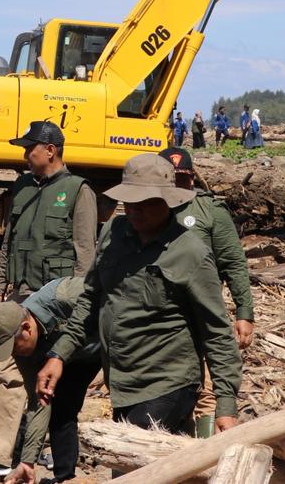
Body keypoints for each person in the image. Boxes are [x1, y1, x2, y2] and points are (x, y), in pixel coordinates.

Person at [38, 153, 242, 435]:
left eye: (145, 203)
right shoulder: (113, 234)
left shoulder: (190, 253)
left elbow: (216, 332)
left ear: (168, 201)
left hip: (167, 382)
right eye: (129, 202)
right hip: (122, 383)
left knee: (133, 465)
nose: (134, 210)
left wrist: (226, 405)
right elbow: (91, 300)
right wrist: (58, 355)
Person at [0, 122, 98, 478]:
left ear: (51, 149)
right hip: (22, 299)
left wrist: (82, 305)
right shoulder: (22, 187)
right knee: (11, 373)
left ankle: (47, 453)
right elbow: (8, 243)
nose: (25, 155)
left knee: (55, 380)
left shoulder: (77, 191)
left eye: (30, 148)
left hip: (60, 305)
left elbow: (85, 252)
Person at [158, 147, 255, 436]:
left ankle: (204, 453)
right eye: (170, 178)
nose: (177, 184)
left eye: (183, 178)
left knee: (210, 389)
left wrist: (244, 312)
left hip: (203, 310)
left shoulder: (208, 210)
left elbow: (234, 263)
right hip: (163, 316)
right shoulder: (151, 210)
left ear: (191, 177)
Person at [0, 278, 102, 484]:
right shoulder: (24, 351)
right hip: (72, 357)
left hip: (112, 343)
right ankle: (65, 477)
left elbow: (121, 304)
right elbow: (39, 402)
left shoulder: (66, 296)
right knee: (61, 408)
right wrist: (28, 461)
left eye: (15, 347)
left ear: (27, 328)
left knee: (128, 403)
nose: (15, 354)